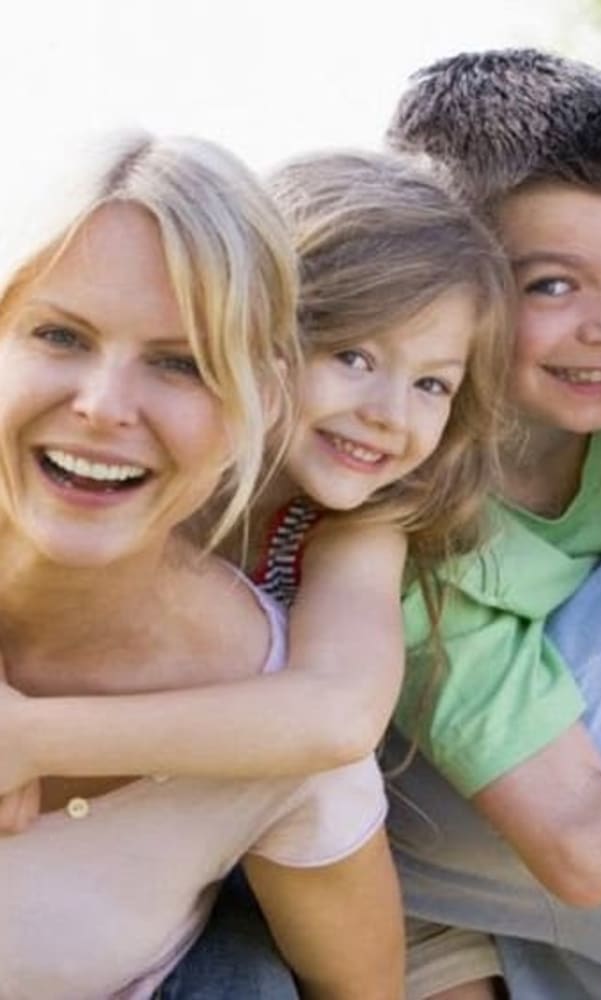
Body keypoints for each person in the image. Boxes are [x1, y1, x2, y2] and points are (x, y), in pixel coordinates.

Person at [0, 132, 405, 1000]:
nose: (104, 407)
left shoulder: (279, 725)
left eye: (181, 363)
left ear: (262, 401)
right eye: (59, 335)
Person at [0, 148, 510, 811]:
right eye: (352, 357)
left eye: (432, 383)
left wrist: (31, 742)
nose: (386, 413)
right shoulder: (112, 456)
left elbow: (337, 713)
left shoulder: (354, 529)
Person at [382, 48, 601, 998]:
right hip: (519, 842)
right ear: (443, 276)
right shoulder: (414, 515)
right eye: (552, 284)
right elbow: (582, 844)